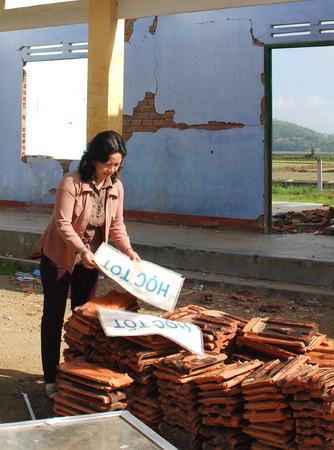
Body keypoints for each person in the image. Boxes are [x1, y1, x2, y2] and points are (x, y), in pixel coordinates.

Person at [38, 130, 140, 399]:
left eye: (117, 165)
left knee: (85, 318)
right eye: (108, 164)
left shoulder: (115, 187)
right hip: (60, 255)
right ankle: (50, 377)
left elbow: (117, 225)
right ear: (94, 159)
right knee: (54, 316)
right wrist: (82, 250)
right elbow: (62, 224)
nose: (112, 170)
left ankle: (76, 372)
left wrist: (128, 251)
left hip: (91, 261)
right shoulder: (71, 182)